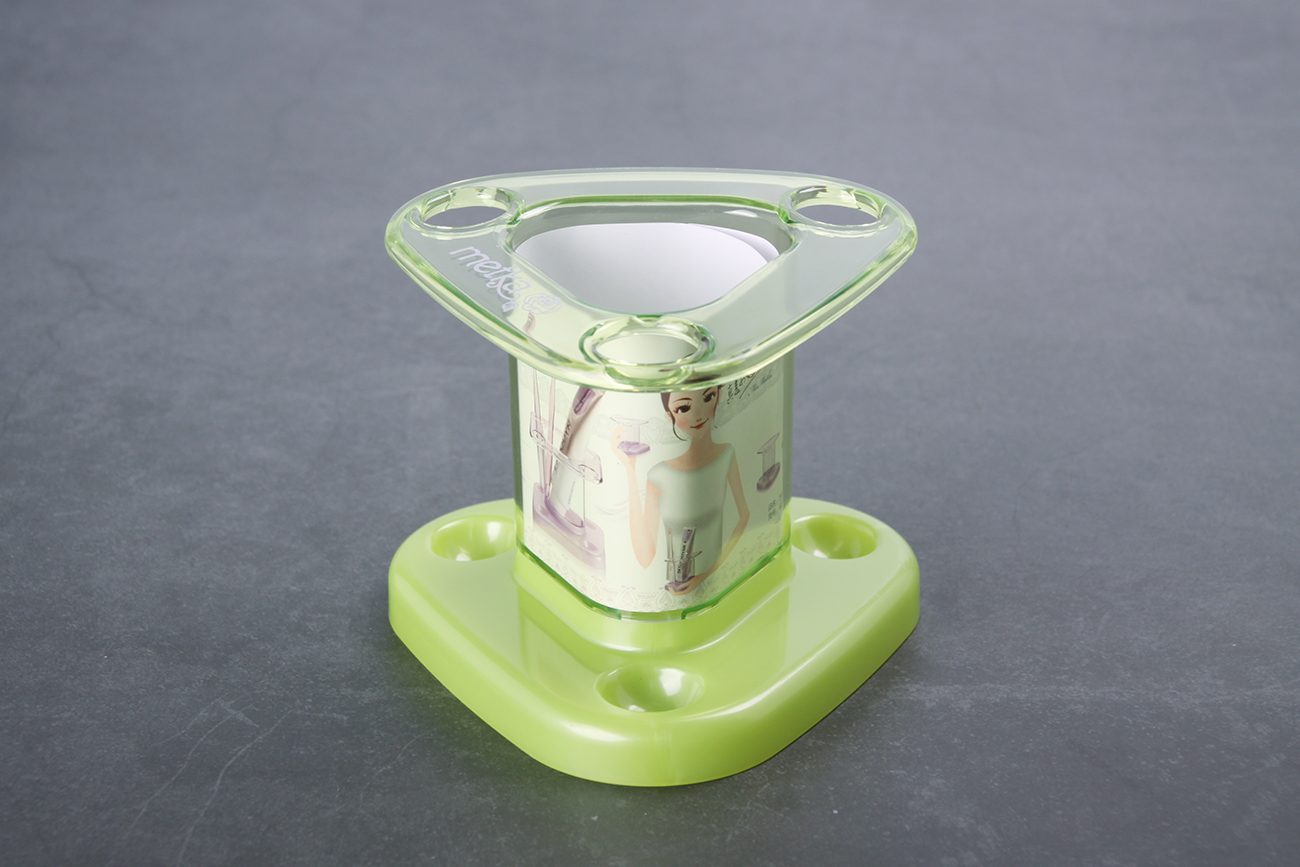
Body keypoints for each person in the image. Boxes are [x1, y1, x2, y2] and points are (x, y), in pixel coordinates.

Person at [614, 386, 749, 596]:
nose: (698, 414)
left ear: (719, 396)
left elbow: (744, 517)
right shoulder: (659, 475)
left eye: (708, 397)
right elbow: (645, 556)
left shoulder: (726, 455)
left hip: (716, 586)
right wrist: (629, 469)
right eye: (684, 408)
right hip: (674, 590)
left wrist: (706, 575)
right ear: (670, 416)